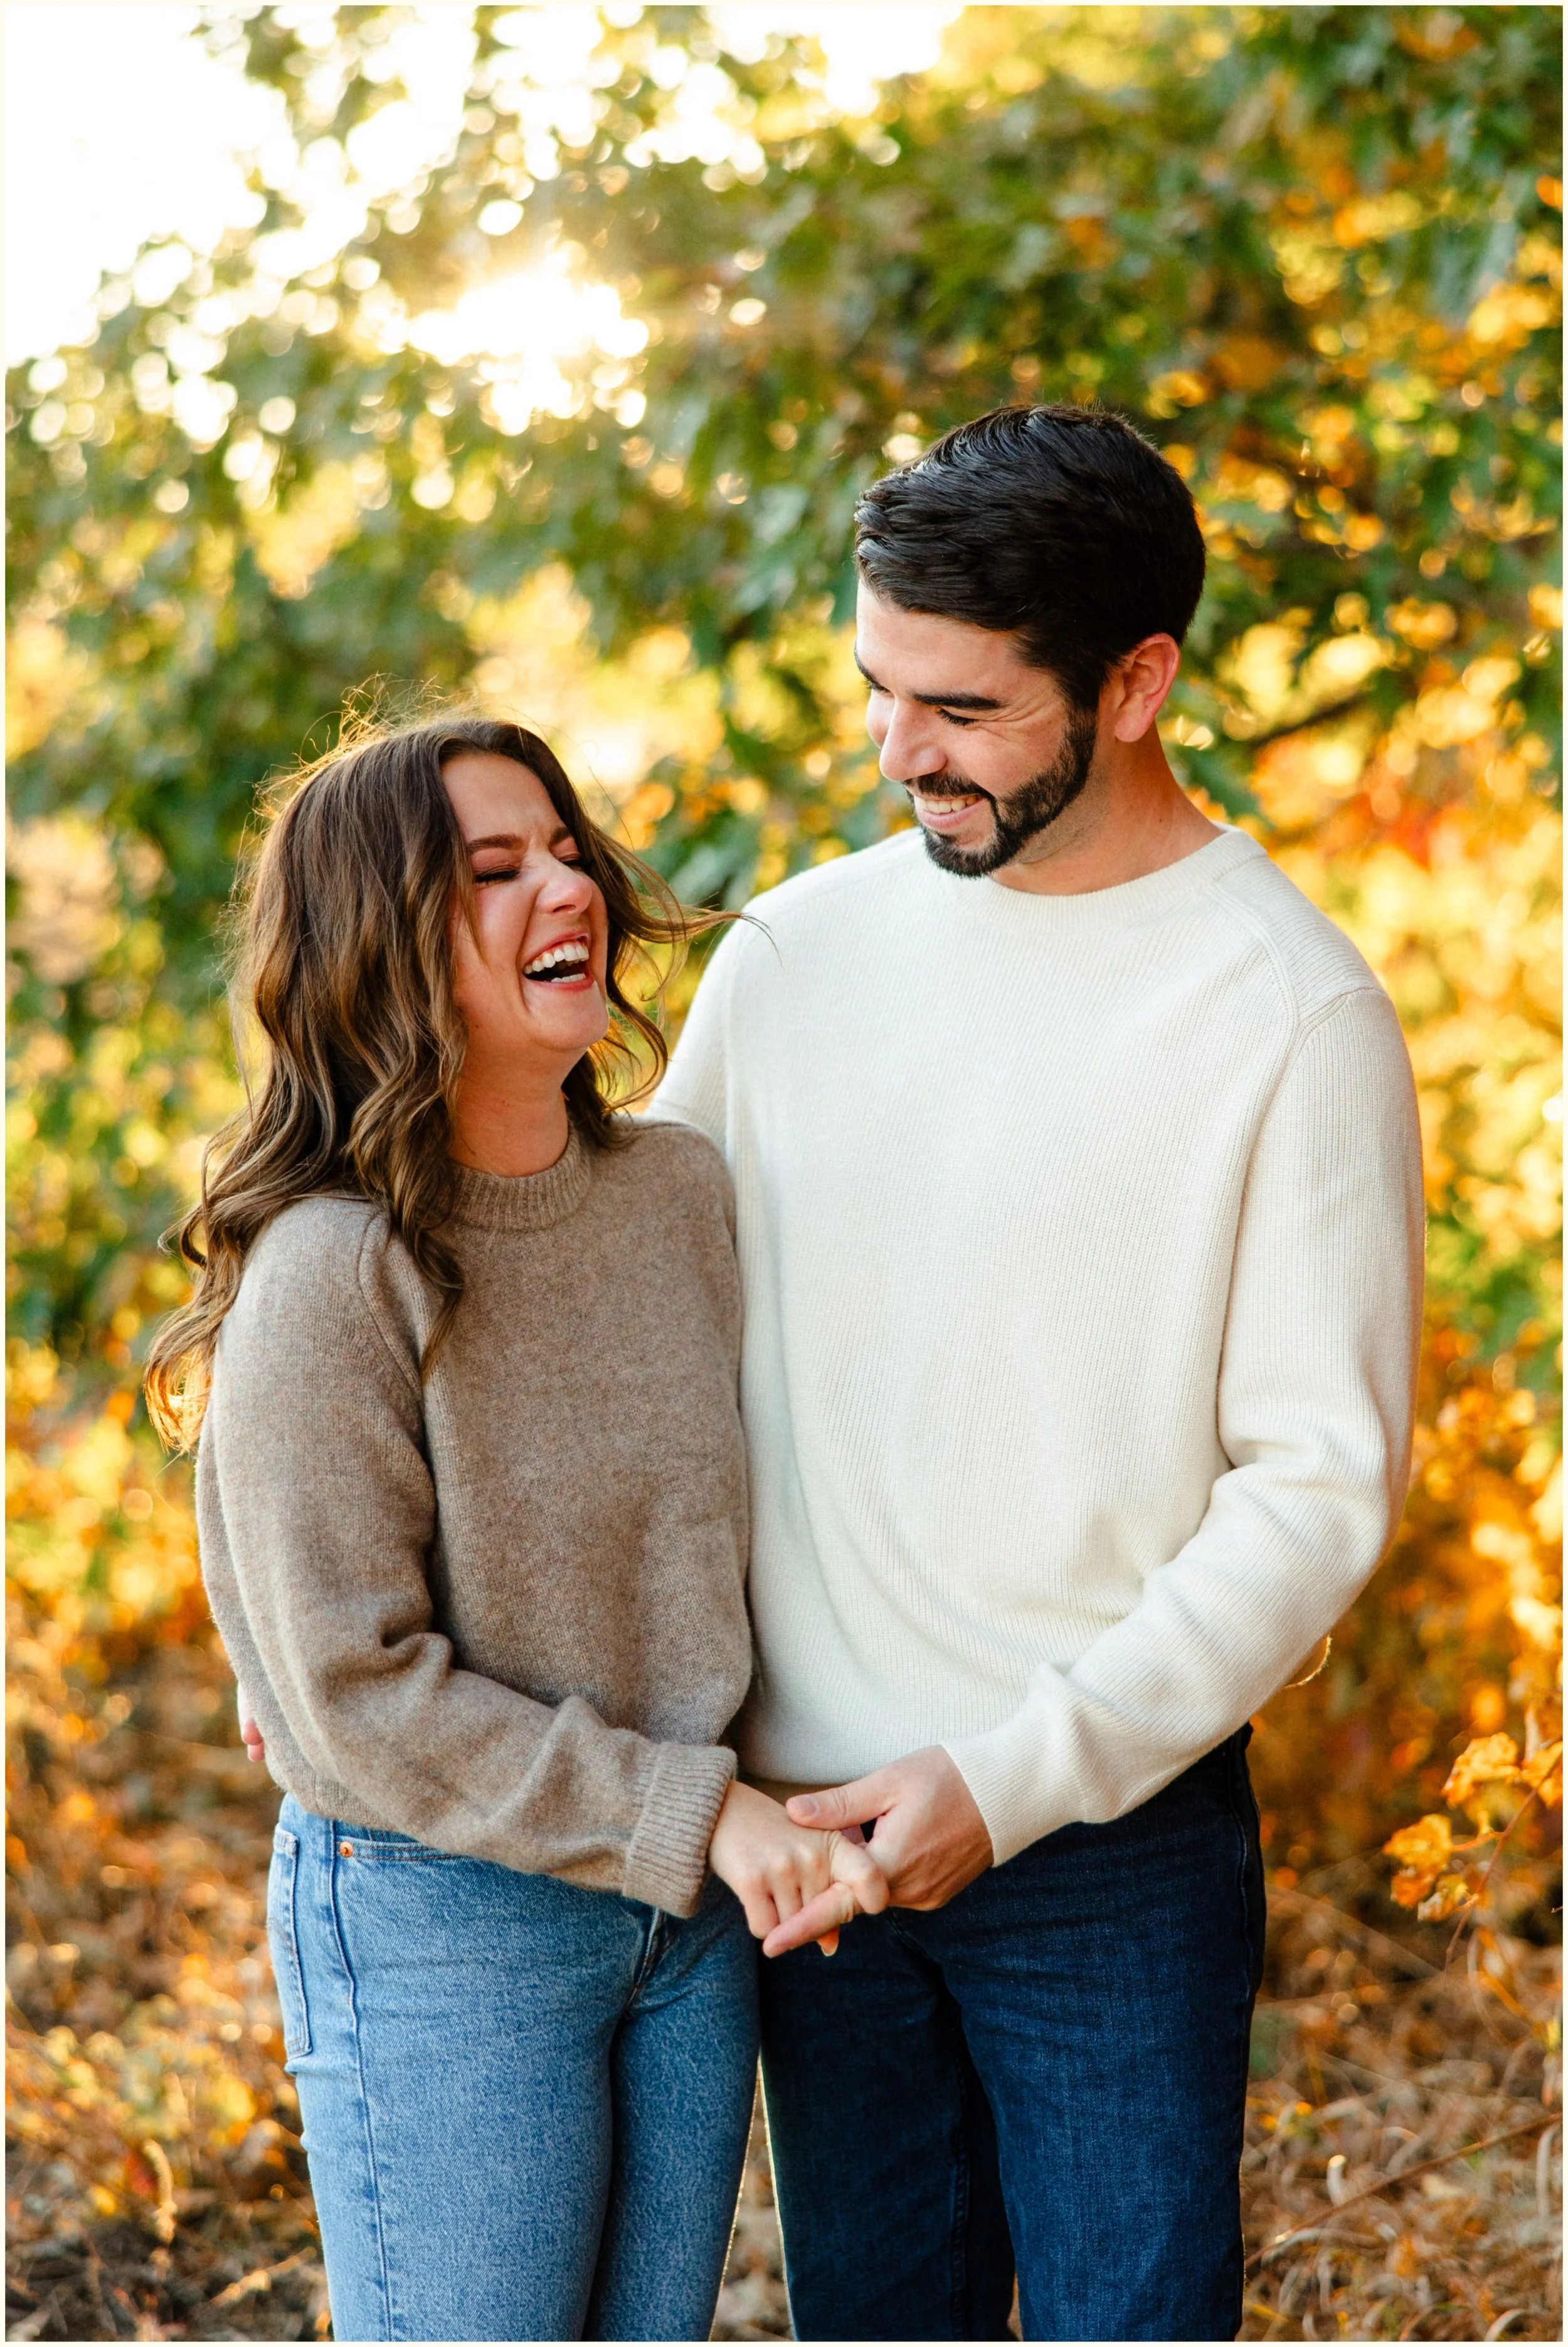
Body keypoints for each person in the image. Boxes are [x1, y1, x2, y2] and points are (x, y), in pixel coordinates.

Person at [657, 404, 1425, 2343]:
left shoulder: (1287, 1005)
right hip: (806, 1840)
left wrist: (1011, 1781)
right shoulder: (791, 953)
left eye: (965, 708)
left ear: (1137, 681)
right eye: (876, 691)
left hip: (1104, 1845)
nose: (899, 750)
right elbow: (610, 1313)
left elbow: (1316, 1487)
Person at [145, 716, 884, 2346]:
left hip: (687, 1921)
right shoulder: (338, 1264)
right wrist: (706, 1815)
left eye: (564, 847)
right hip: (444, 1916)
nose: (564, 884)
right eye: (491, 869)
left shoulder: (677, 1194)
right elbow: (353, 1685)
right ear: (378, 945)